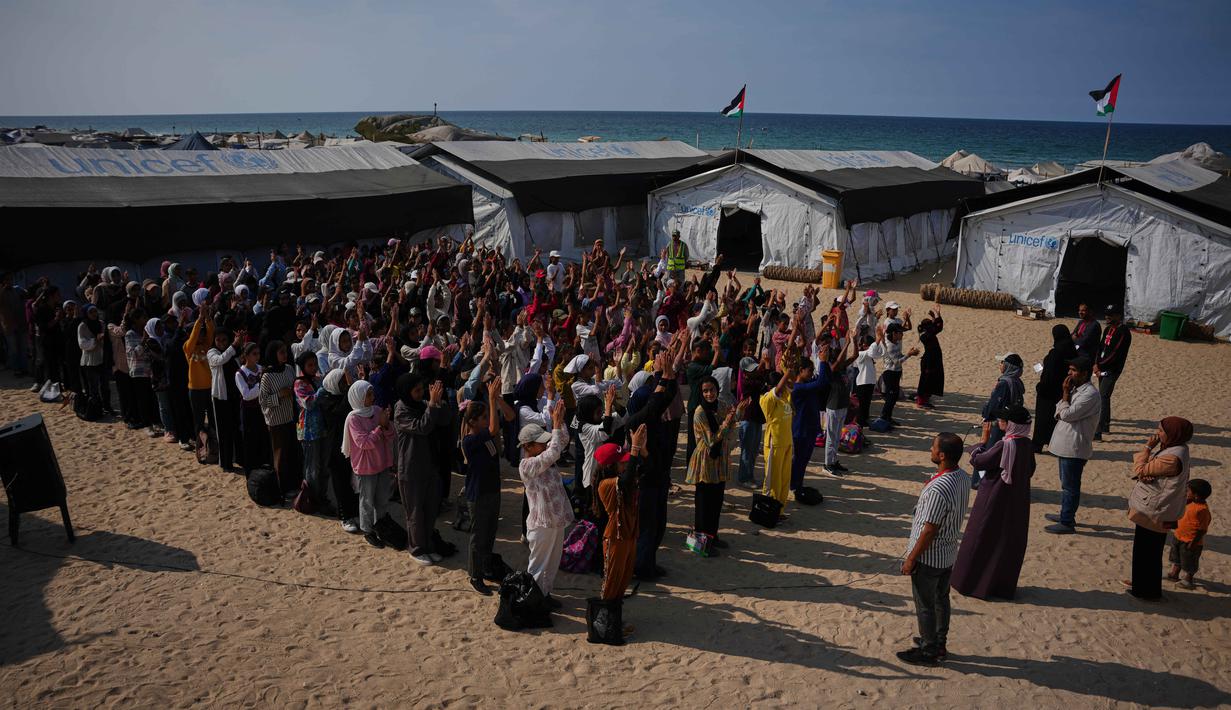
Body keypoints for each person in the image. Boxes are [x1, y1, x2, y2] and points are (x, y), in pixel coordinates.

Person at [897, 432, 971, 667]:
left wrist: (911, 558)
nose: (930, 449)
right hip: (947, 553)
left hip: (929, 557)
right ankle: (938, 642)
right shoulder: (962, 477)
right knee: (941, 599)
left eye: (933, 447)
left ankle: (929, 651)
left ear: (942, 455)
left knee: (925, 604)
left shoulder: (939, 488)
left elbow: (930, 529)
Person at [951, 404, 1035, 600]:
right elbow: (1030, 469)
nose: (999, 422)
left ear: (1012, 424)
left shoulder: (1005, 445)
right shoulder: (1026, 444)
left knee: (981, 535)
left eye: (1003, 420)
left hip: (995, 497)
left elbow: (980, 461)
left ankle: (970, 583)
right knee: (1006, 540)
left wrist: (982, 442)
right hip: (1017, 499)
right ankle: (999, 587)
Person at [1123, 417, 1193, 601]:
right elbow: (1150, 472)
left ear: (1173, 434)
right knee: (1148, 551)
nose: (1157, 433)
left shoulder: (1172, 457)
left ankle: (1146, 592)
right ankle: (1142, 585)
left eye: (1161, 431)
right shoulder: (1178, 449)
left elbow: (1140, 469)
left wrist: (1147, 448)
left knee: (1147, 552)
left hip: (1155, 510)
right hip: (1159, 507)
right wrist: (1147, 473)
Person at [460, 377, 515, 594]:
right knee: (478, 536)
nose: (487, 419)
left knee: (490, 533)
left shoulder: (486, 434)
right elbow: (493, 428)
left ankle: (486, 567)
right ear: (473, 422)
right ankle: (475, 575)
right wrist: (490, 400)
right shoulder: (470, 440)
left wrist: (497, 398)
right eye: (482, 417)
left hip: (492, 490)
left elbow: (509, 416)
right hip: (479, 494)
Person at [518, 400, 572, 606]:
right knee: (538, 566)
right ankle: (533, 602)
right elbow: (554, 451)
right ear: (528, 446)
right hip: (541, 525)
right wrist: (555, 426)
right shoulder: (526, 465)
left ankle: (544, 596)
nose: (544, 445)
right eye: (540, 443)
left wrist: (560, 421)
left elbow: (562, 441)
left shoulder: (543, 454)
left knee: (552, 564)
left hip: (555, 520)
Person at [394, 373, 450, 565]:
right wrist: (432, 405)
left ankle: (428, 546)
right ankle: (417, 549)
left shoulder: (423, 404)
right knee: (415, 512)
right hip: (411, 469)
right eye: (416, 391)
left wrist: (438, 401)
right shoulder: (401, 410)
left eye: (422, 390)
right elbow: (422, 427)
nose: (420, 394)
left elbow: (444, 420)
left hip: (430, 465)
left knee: (430, 508)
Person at [1043, 356, 1101, 534]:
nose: (1069, 373)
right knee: (1066, 485)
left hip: (1074, 447)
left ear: (1084, 373)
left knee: (1070, 487)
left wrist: (1065, 395)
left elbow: (1066, 414)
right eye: (1070, 369)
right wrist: (1065, 400)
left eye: (1073, 370)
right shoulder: (1076, 389)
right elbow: (1059, 411)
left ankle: (1067, 522)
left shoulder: (1090, 394)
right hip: (1066, 444)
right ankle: (1065, 515)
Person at [686, 376, 745, 549]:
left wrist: (738, 413)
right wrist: (726, 422)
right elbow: (711, 440)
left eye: (711, 389)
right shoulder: (699, 413)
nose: (709, 394)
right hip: (706, 460)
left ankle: (712, 537)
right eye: (705, 391)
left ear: (717, 389)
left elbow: (731, 422)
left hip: (719, 459)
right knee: (703, 504)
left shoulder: (721, 405)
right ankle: (700, 545)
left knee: (716, 501)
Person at [342, 379, 395, 549]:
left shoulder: (377, 410)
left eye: (372, 393)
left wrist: (387, 425)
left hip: (382, 462)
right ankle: (367, 530)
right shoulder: (353, 418)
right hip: (366, 467)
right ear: (359, 397)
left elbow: (391, 434)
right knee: (367, 500)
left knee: (382, 498)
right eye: (368, 394)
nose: (373, 397)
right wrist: (380, 427)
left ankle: (381, 526)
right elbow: (363, 443)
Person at [258, 340, 300, 495]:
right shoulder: (267, 376)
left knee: (292, 453)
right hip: (276, 421)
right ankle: (283, 489)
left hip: (290, 417)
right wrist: (280, 395)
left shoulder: (289, 369)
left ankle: (294, 484)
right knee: (280, 455)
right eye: (281, 352)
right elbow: (263, 401)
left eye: (285, 351)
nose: (285, 355)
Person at [1032, 324, 1077, 452]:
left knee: (1043, 419)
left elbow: (1049, 373)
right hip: (1062, 391)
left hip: (1048, 391)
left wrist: (1041, 387)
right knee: (1056, 419)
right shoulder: (1072, 351)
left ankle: (1038, 444)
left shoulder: (1056, 352)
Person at [294, 351, 330, 508]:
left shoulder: (317, 379)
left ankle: (322, 497)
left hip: (323, 428)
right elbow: (308, 403)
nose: (314, 367)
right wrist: (323, 388)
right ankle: (312, 500)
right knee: (312, 468)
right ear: (303, 367)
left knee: (324, 466)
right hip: (309, 432)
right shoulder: (299, 383)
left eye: (315, 364)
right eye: (310, 365)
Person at [760, 360, 796, 513]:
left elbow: (791, 384)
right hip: (774, 444)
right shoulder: (766, 399)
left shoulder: (784, 396)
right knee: (773, 481)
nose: (783, 387)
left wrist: (788, 370)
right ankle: (768, 511)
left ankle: (779, 511)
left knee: (784, 479)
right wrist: (786, 373)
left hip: (787, 443)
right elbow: (778, 389)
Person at [1094, 305, 1132, 440]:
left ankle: (1098, 431)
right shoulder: (1108, 329)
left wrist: (1100, 365)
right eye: (1106, 314)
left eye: (1111, 315)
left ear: (1118, 316)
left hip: (1112, 370)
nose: (1107, 317)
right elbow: (1100, 347)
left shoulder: (1123, 332)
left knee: (1102, 397)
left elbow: (1116, 353)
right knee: (1104, 397)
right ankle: (1105, 426)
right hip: (1101, 368)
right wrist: (1096, 364)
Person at [1167, 479, 1212, 590]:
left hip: (1190, 541)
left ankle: (1188, 579)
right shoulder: (1188, 502)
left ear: (1196, 495)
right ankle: (1174, 574)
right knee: (1176, 557)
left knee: (1189, 561)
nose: (1186, 492)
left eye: (1188, 491)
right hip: (1178, 535)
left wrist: (1194, 542)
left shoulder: (1202, 510)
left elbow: (1202, 529)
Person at [735, 356, 767, 488]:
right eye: (751, 370)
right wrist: (764, 368)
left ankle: (750, 476)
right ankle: (744, 478)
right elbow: (760, 384)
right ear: (744, 372)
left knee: (753, 450)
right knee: (747, 451)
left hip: (757, 418)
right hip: (748, 419)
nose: (754, 371)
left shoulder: (754, 380)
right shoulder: (746, 383)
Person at [878, 323, 919, 427]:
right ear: (894, 333)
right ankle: (884, 418)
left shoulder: (895, 343)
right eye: (900, 332)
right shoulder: (890, 346)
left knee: (893, 397)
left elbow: (899, 356)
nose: (902, 334)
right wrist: (909, 355)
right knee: (890, 399)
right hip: (890, 374)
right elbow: (897, 362)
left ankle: (888, 418)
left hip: (895, 374)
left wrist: (910, 353)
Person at [913, 307, 944, 409]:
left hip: (932, 360)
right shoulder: (926, 336)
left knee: (932, 379)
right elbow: (938, 328)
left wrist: (934, 317)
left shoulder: (927, 333)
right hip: (929, 361)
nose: (932, 325)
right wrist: (937, 315)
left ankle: (925, 398)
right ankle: (921, 401)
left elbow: (935, 327)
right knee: (925, 380)